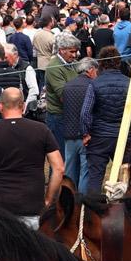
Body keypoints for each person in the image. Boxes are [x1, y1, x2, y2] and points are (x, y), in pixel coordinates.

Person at [0, 88, 63, 227]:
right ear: (23, 106)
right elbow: (59, 168)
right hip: (33, 206)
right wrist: (48, 199)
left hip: (0, 208)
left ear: (0, 106)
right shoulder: (42, 130)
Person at [80, 51, 131, 191]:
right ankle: (125, 207)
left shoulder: (95, 84)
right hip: (124, 136)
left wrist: (85, 133)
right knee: (127, 177)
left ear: (101, 64)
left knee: (95, 177)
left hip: (99, 137)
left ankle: (93, 208)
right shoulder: (130, 83)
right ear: (119, 63)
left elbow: (85, 112)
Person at [59, 57, 96, 193]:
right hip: (86, 135)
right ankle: (80, 203)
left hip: (69, 135)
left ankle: (67, 198)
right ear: (91, 70)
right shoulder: (92, 86)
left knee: (69, 172)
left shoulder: (67, 86)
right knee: (85, 173)